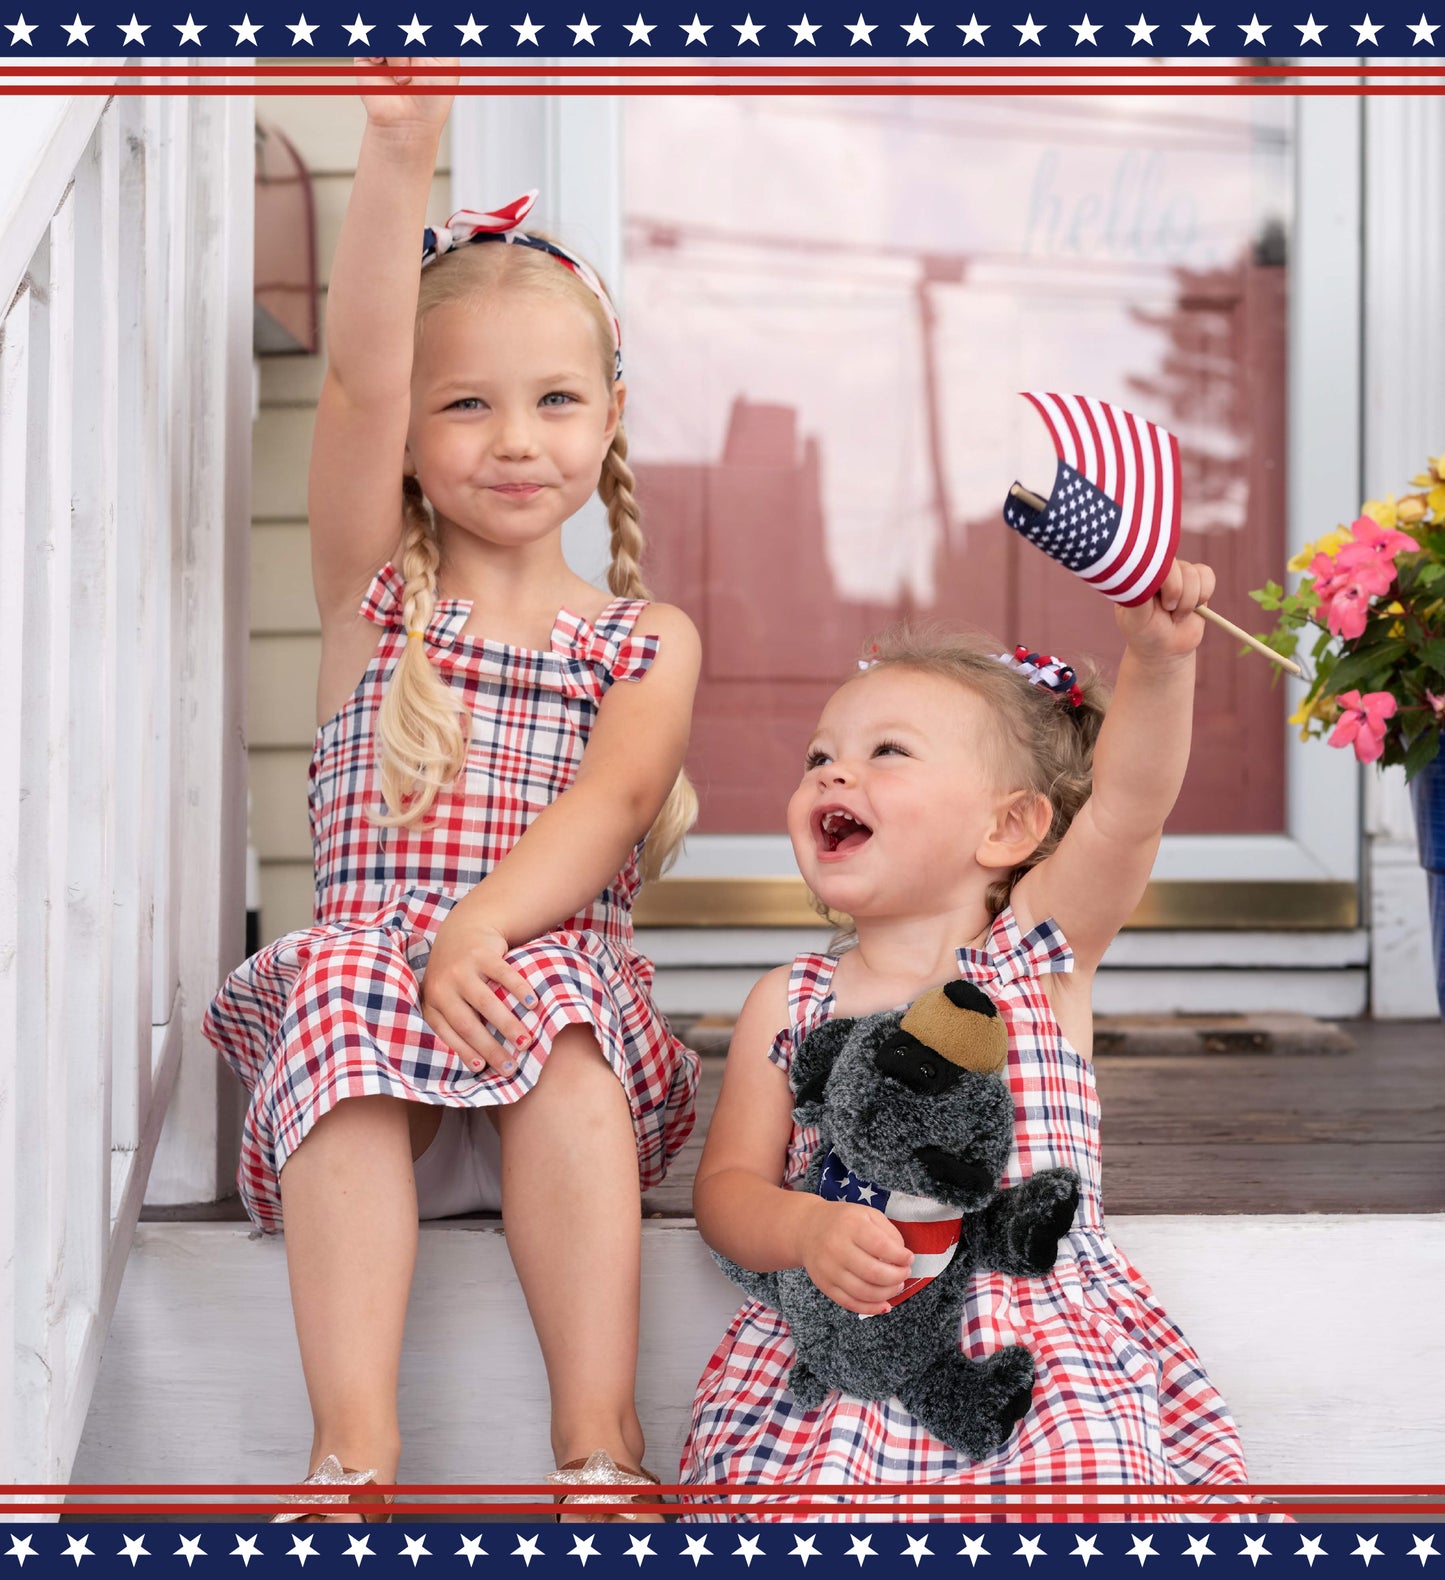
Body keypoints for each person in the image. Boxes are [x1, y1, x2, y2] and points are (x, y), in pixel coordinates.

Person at [205, 60, 700, 1523]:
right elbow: (354, 371)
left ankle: (596, 1448)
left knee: (551, 997)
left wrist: (482, 927)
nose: (512, 438)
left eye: (554, 400)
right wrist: (400, 145)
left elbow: (609, 806)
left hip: (550, 1060)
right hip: (375, 1087)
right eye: (465, 405)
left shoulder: (641, 638)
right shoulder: (374, 602)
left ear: (609, 417)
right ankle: (350, 1459)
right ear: (415, 442)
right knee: (355, 976)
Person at [683, 561, 1261, 1521]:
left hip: (1033, 1365)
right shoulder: (787, 1002)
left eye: (887, 752)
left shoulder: (1038, 957)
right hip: (851, 1358)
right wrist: (803, 1229)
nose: (833, 771)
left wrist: (1158, 664)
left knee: (1081, 1497)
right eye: (818, 757)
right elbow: (726, 1192)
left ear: (1009, 826)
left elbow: (1128, 811)